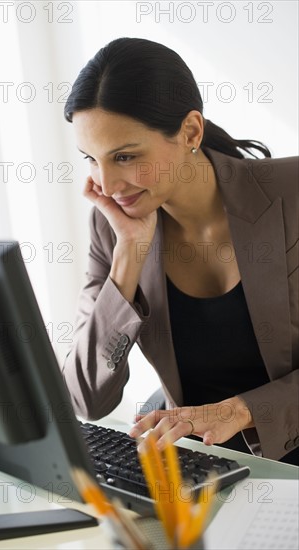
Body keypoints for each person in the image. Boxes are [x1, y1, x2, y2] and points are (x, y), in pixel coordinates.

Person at [62, 37, 298, 465]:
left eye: (126, 156)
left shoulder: (292, 195)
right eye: (91, 159)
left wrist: (239, 411)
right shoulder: (110, 224)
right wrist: (129, 253)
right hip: (206, 469)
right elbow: (85, 397)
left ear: (190, 131)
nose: (108, 185)